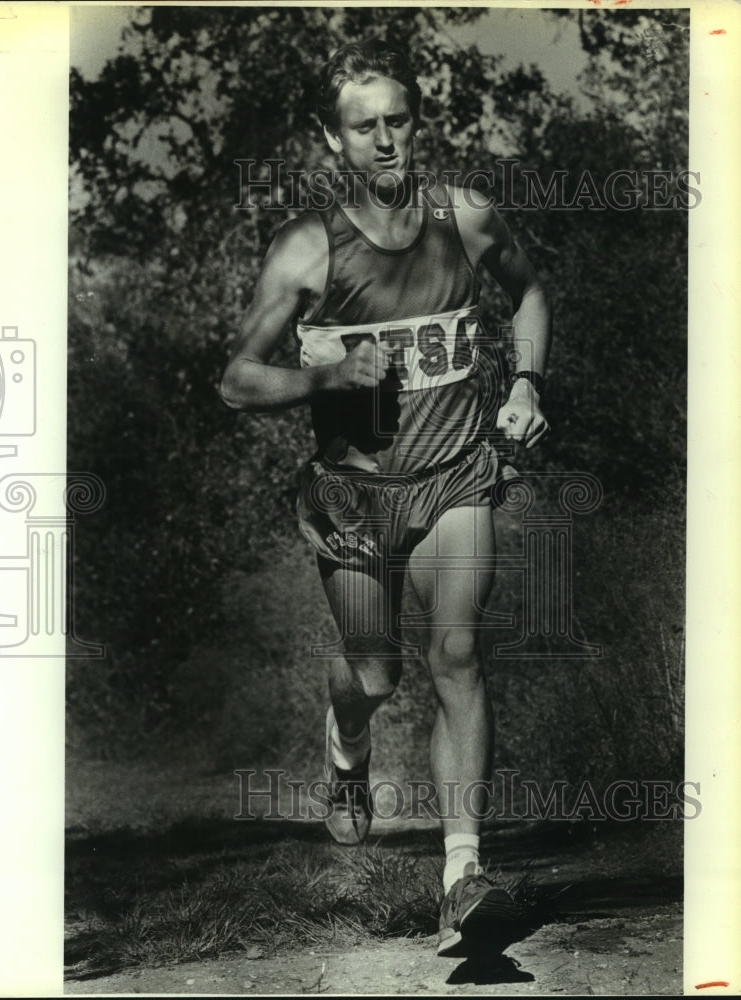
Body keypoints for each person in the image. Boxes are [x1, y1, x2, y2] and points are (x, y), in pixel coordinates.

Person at [220, 38, 551, 958]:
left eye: (397, 120)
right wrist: (325, 382)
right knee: (374, 674)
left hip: (453, 476)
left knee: (457, 654)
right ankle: (346, 746)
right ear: (338, 143)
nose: (384, 139)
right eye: (363, 126)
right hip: (353, 497)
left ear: (417, 123)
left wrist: (526, 386)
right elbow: (238, 380)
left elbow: (527, 296)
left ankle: (462, 876)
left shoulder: (465, 215)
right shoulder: (308, 249)